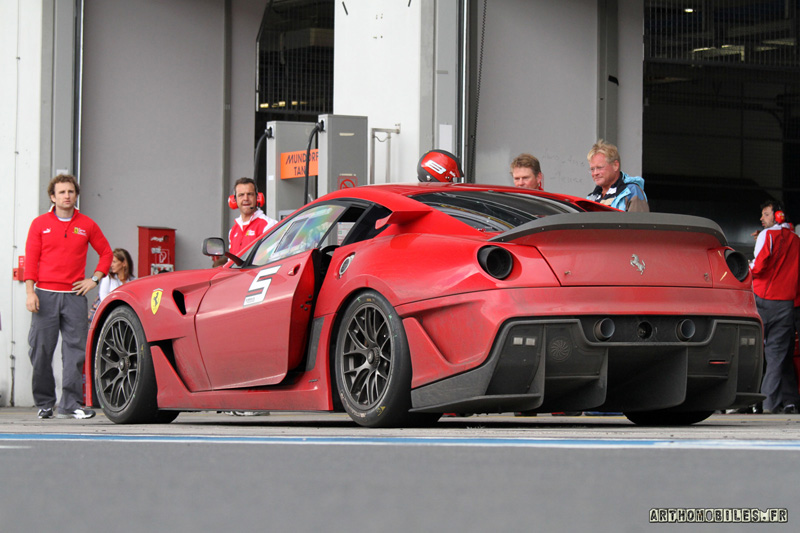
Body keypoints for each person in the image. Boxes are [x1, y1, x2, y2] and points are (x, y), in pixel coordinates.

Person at [24, 174, 112, 420]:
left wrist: (93, 279)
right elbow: (31, 260)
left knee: (75, 352)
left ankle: (70, 404)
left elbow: (106, 253)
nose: (66, 196)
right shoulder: (40, 224)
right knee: (41, 350)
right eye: (61, 192)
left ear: (76, 194)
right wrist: (30, 292)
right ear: (53, 197)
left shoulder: (87, 224)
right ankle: (44, 402)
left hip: (74, 296)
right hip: (44, 295)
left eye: (70, 191)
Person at [751, 200, 800, 414]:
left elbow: (758, 267)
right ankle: (769, 405)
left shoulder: (767, 236)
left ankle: (748, 401)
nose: (762, 219)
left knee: (752, 353)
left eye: (766, 214)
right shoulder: (796, 240)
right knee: (777, 359)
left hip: (762, 301)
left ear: (778, 216)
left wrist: (745, 265)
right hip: (787, 305)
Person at [586, 139, 649, 212]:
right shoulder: (590, 198)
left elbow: (639, 222)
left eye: (599, 168)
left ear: (615, 165)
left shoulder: (632, 192)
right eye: (592, 169)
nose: (595, 173)